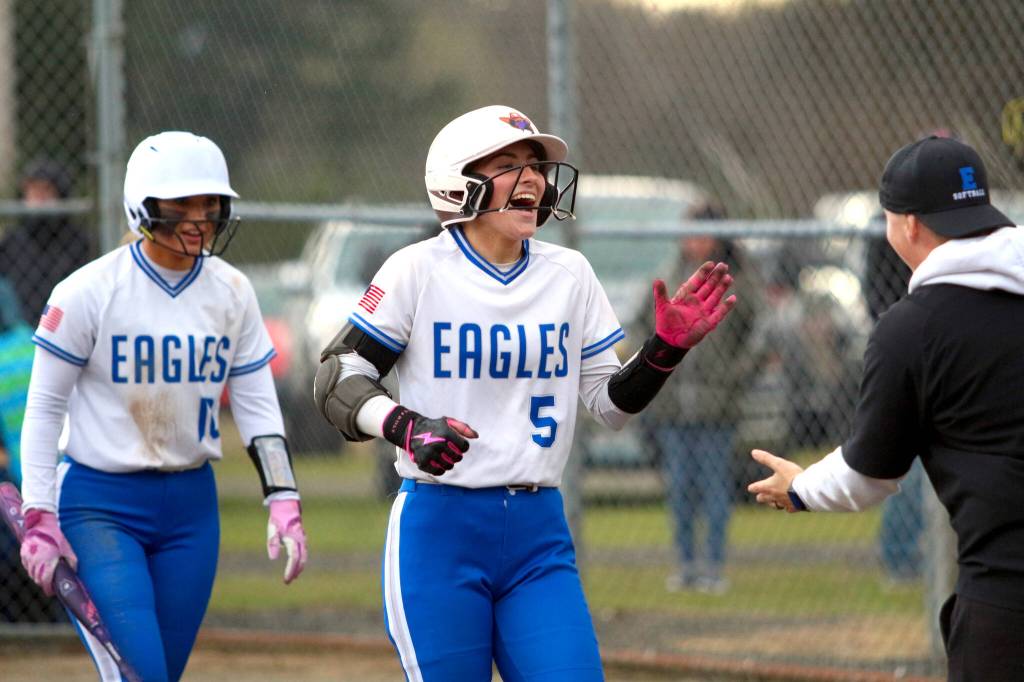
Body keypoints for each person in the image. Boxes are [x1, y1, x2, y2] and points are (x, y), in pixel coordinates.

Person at [313, 105, 736, 681]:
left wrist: (664, 349)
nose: (533, 178)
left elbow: (609, 406)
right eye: (510, 164)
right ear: (458, 180)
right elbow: (337, 373)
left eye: (536, 166)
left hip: (538, 534)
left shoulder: (569, 273)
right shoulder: (417, 269)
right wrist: (406, 426)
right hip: (441, 531)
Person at [17, 131, 308, 681]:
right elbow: (44, 409)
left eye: (210, 204)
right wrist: (40, 512)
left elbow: (256, 405)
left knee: (160, 674)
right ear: (142, 205)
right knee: (140, 673)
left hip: (191, 510)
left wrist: (284, 499)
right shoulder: (88, 291)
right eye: (181, 204)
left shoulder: (232, 291)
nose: (199, 218)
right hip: (101, 504)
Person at [748, 135, 1024, 681]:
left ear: (910, 226)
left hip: (1006, 594)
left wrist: (800, 489)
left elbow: (868, 473)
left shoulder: (913, 328)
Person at [639, 201, 759, 594]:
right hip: (674, 407)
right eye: (689, 233)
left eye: (702, 233)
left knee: (713, 489)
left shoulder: (736, 280)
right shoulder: (672, 275)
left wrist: (733, 376)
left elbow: (760, 336)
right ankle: (686, 565)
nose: (693, 241)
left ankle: (713, 567)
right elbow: (645, 323)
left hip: (716, 407)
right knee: (679, 490)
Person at [0, 157, 92, 324]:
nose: (38, 198)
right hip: (18, 332)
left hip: (66, 324)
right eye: (32, 190)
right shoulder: (12, 241)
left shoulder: (78, 241)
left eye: (46, 190)